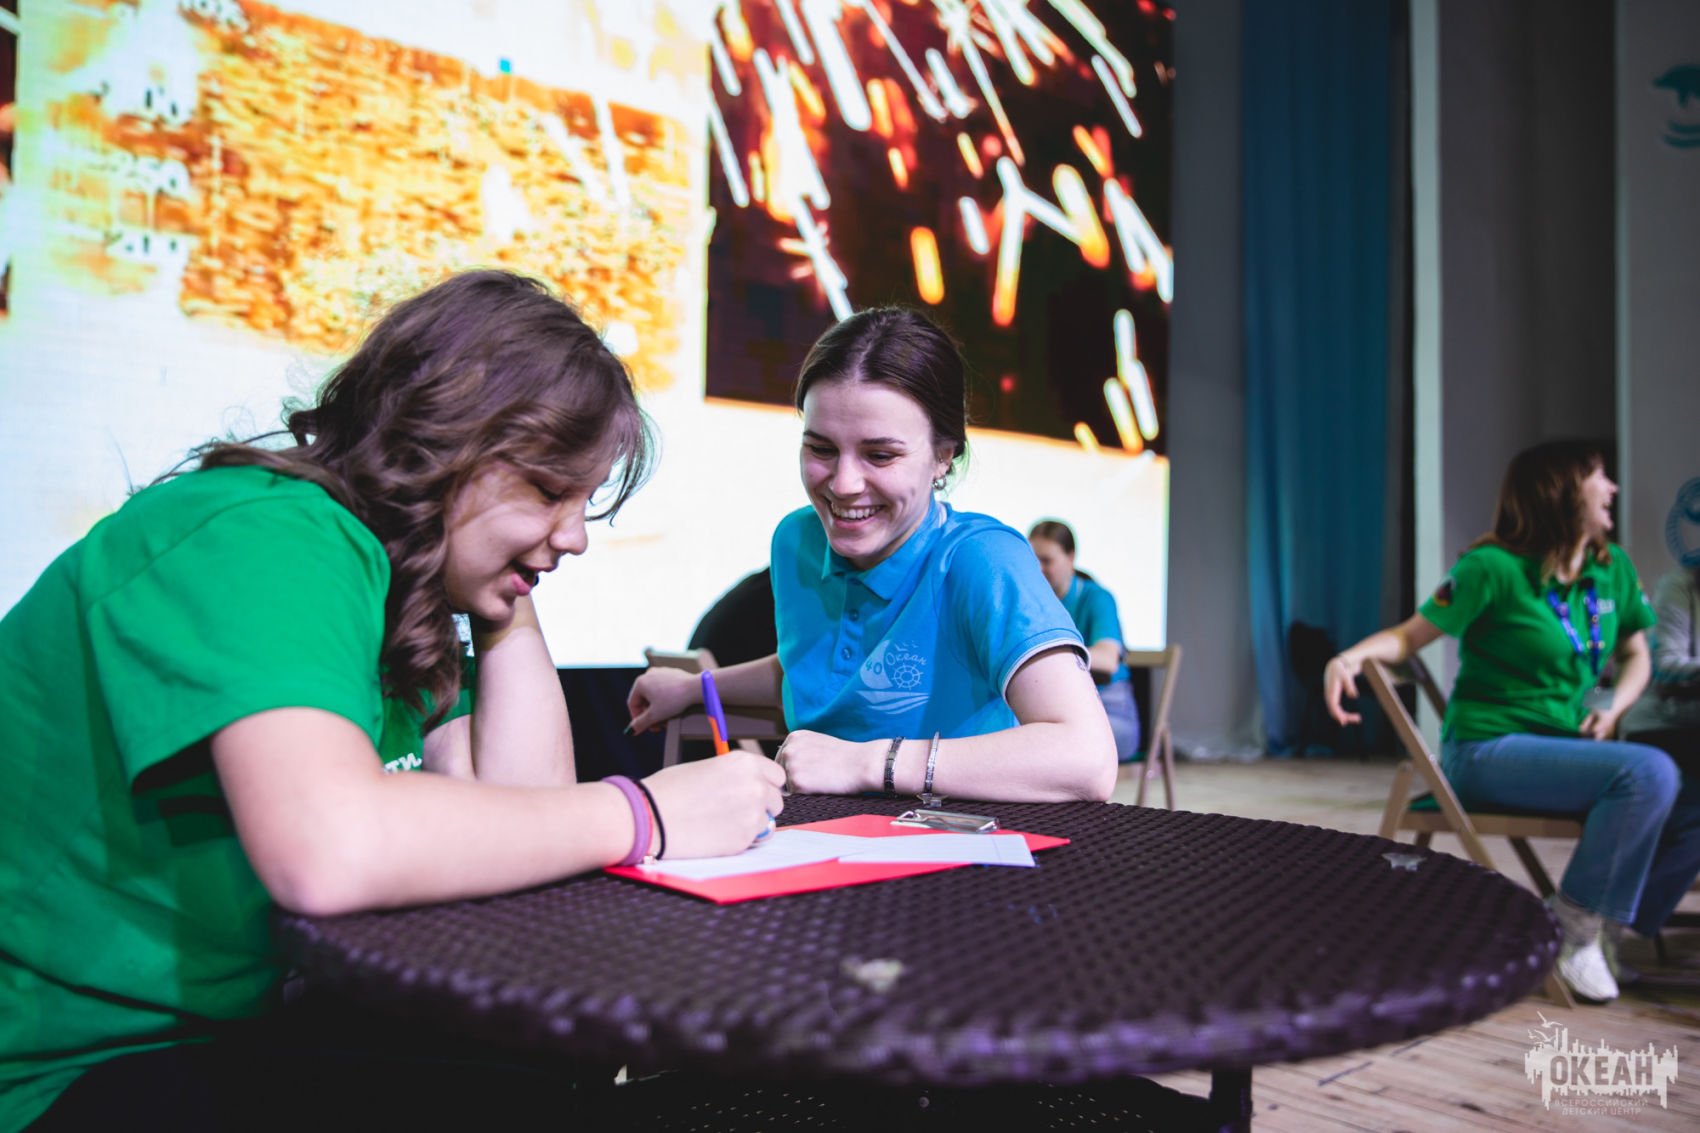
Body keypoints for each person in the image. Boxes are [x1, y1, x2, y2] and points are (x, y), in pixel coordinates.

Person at [0, 270, 785, 1132]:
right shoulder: (265, 533)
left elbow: (525, 811)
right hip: (60, 1070)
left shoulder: (399, 597)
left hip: (215, 1033)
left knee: (559, 1072)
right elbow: (327, 847)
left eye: (583, 501)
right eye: (549, 490)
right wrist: (646, 812)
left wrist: (509, 596)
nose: (575, 536)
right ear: (445, 443)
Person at [628, 307, 1116, 803]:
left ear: (943, 455)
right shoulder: (796, 541)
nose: (843, 484)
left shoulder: (982, 558)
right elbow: (819, 674)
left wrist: (866, 763)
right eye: (821, 449)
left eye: (880, 455)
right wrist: (696, 689)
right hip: (817, 829)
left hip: (957, 831)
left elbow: (1088, 759)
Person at [1324, 439, 1700, 1005]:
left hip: (1565, 750)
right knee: (1648, 773)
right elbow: (1408, 636)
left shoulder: (1611, 567)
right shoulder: (1491, 567)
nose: (1613, 488)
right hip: (1488, 750)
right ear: (1562, 491)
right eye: (1599, 476)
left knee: (1688, 801)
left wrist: (1612, 706)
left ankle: (1604, 929)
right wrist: (1348, 658)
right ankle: (1572, 929)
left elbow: (1636, 655)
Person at [1028, 520, 1141, 763]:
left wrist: (1048, 656)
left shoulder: (1097, 598)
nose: (1038, 568)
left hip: (1110, 713)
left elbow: (1108, 659)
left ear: (1070, 557)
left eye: (1046, 560)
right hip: (1058, 712)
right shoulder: (1033, 603)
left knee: (1047, 748)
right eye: (1032, 560)